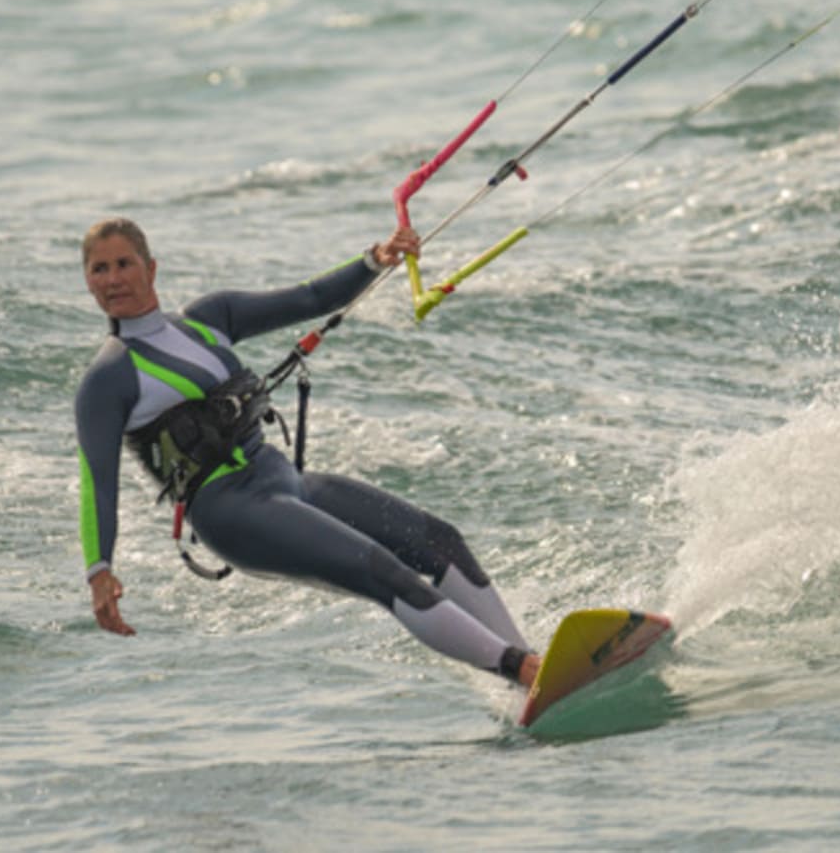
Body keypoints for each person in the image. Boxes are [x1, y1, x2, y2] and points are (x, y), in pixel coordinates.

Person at [74, 216, 541, 687]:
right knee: (385, 574)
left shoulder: (209, 320)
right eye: (99, 270)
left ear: (151, 269)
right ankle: (524, 672)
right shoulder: (108, 378)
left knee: (441, 542)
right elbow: (98, 482)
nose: (113, 279)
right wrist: (100, 570)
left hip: (284, 482)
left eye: (123, 264)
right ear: (88, 282)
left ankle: (533, 670)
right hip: (231, 511)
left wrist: (375, 259)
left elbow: (311, 298)